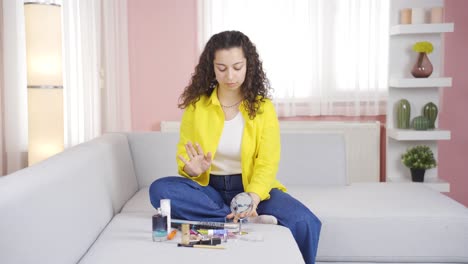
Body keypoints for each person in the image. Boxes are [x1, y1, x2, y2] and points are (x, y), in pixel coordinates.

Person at [149, 30, 321, 264]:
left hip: (251, 188)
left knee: (305, 222)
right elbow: (184, 157)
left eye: (237, 67)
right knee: (160, 190)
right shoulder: (196, 107)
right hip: (210, 189)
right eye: (222, 68)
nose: (230, 75)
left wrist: (253, 197)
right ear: (212, 67)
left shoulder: (262, 107)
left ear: (248, 65)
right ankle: (241, 220)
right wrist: (191, 170)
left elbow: (267, 161)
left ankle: (233, 217)